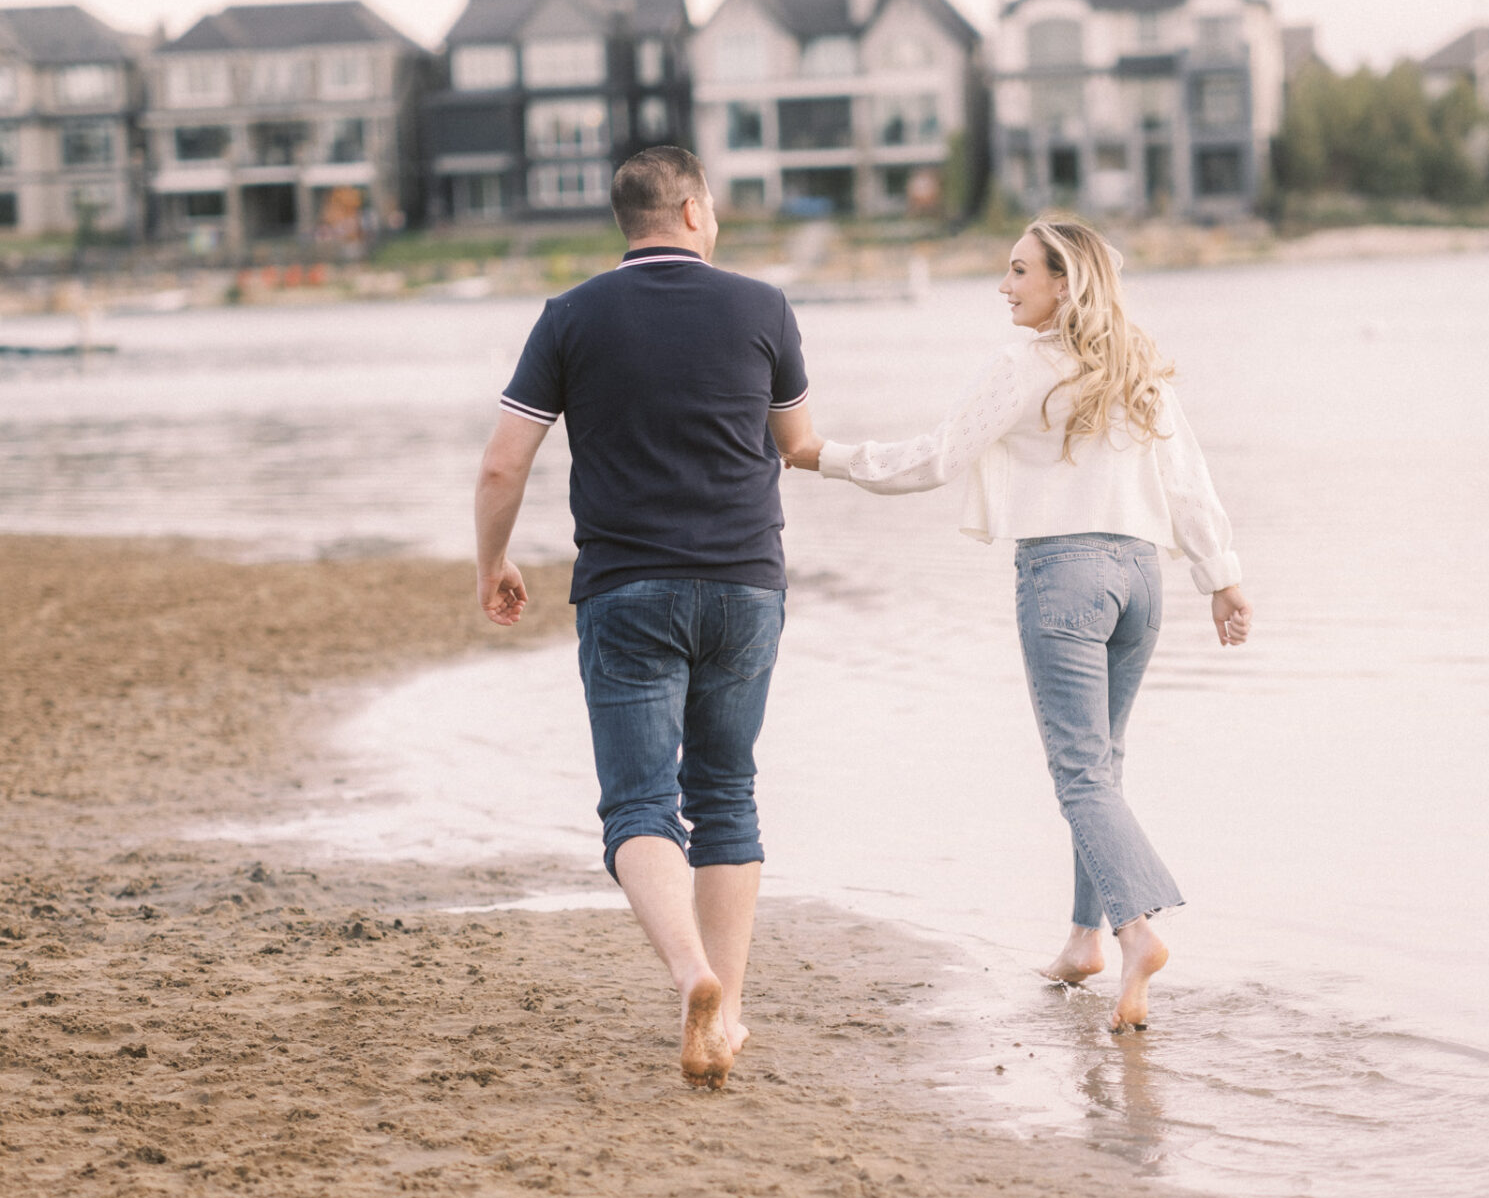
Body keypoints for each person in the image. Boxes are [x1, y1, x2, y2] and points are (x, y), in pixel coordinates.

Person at [781, 219, 1249, 1032]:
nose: (1004, 285)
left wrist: (822, 455)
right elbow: (1188, 481)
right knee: (1101, 767)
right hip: (1142, 579)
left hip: (1064, 576)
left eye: (1018, 271)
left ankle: (1136, 934)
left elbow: (936, 459)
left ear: (1064, 284)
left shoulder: (1025, 364)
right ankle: (1082, 941)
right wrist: (1224, 579)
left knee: (1080, 776)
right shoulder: (1137, 365)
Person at [473, 147, 814, 1089]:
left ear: (627, 221)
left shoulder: (571, 315)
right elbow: (795, 443)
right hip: (747, 585)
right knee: (727, 794)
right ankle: (729, 1010)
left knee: (638, 804)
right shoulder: (763, 309)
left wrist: (492, 560)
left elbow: (505, 462)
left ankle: (688, 974)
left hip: (627, 589)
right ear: (696, 210)